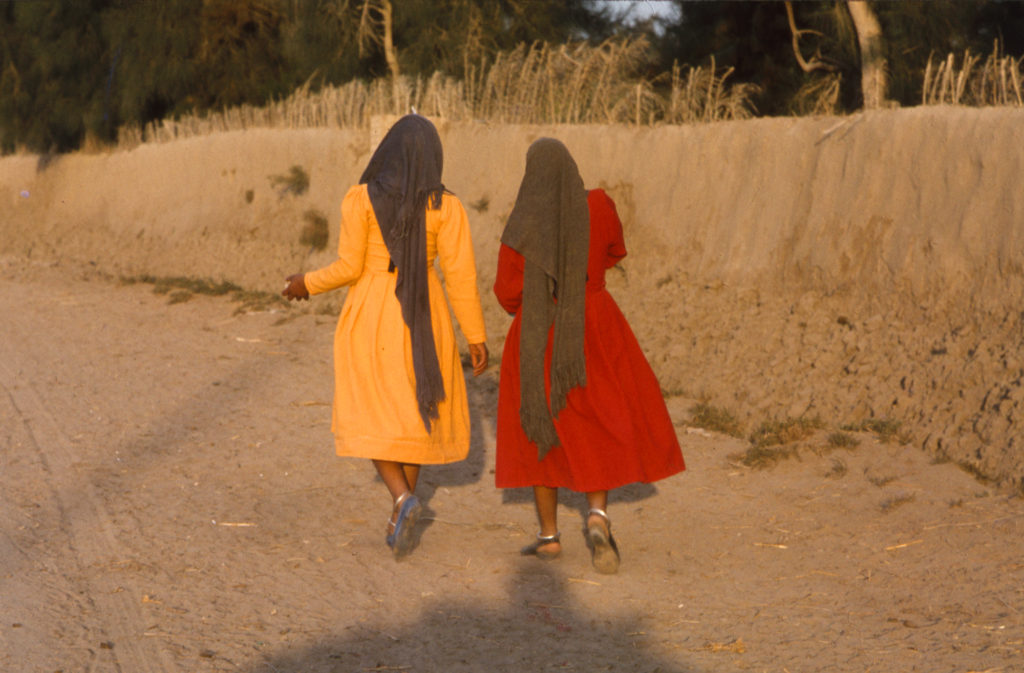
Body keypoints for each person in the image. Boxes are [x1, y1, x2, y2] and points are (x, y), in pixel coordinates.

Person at [282, 114, 488, 559]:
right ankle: (403, 514)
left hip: (373, 312)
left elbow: (349, 267)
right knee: (411, 417)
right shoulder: (446, 207)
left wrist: (305, 283)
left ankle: (401, 500)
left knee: (371, 410)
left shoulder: (360, 199)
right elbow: (461, 277)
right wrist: (475, 335)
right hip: (424, 314)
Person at [493, 138, 684, 574]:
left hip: (539, 333)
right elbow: (616, 251)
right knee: (595, 419)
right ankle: (597, 516)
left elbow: (508, 293)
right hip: (595, 324)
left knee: (539, 426)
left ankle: (549, 537)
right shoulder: (597, 205)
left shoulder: (523, 224)